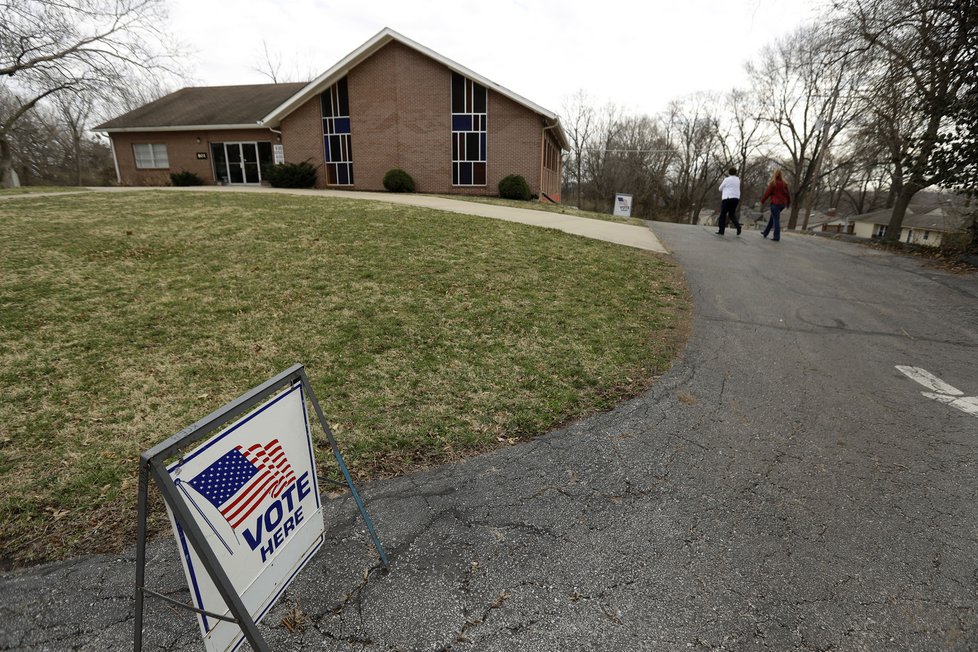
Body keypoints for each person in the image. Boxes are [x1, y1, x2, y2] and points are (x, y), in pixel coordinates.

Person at [760, 169, 791, 241]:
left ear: (774, 174)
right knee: (772, 218)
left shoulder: (773, 183)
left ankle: (776, 237)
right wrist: (788, 202)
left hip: (775, 204)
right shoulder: (784, 184)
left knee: (776, 220)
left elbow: (767, 193)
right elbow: (788, 194)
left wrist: (762, 201)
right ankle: (765, 232)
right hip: (782, 204)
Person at [716, 167, 742, 236]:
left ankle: (721, 230)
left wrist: (725, 188)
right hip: (736, 198)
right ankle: (738, 226)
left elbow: (720, 188)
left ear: (729, 172)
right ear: (736, 172)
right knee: (731, 214)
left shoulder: (726, 179)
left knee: (723, 214)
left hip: (727, 198)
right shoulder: (738, 180)